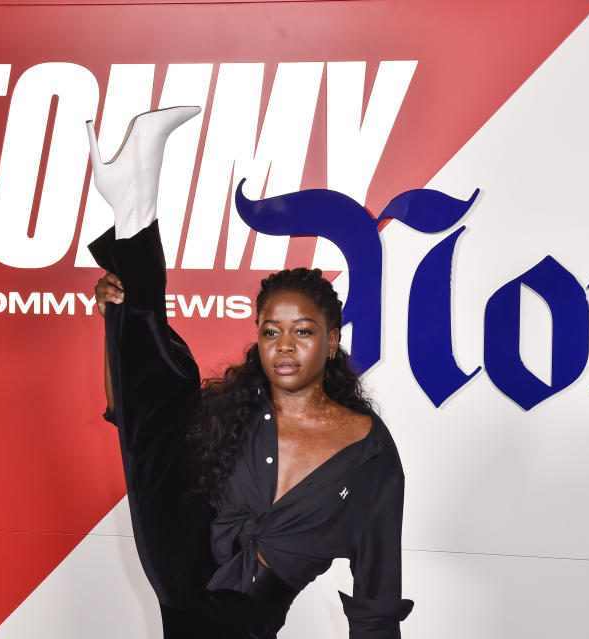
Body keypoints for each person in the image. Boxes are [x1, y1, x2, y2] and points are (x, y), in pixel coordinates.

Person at [87, 108, 413, 638]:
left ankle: (132, 212)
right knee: (165, 397)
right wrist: (115, 323)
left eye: (303, 331)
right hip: (182, 576)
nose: (284, 346)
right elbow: (135, 417)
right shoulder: (233, 413)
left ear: (332, 341)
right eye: (270, 331)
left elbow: (376, 603)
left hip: (244, 625)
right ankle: (134, 216)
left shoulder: (370, 456)